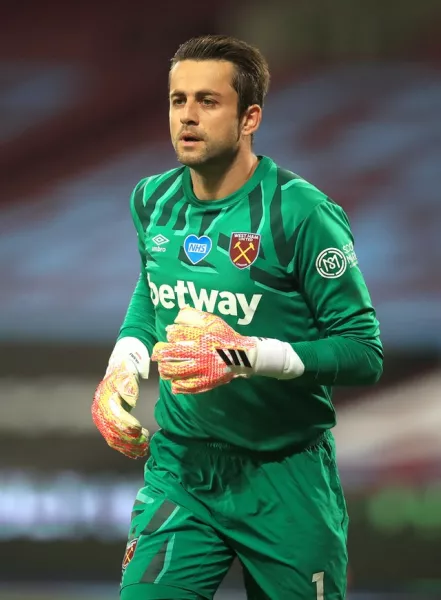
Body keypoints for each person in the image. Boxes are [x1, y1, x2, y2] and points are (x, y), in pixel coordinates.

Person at [92, 34, 383, 600]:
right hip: (183, 467)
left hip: (285, 478)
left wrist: (245, 356)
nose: (187, 117)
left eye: (208, 101)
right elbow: (154, 292)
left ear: (250, 117)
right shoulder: (152, 199)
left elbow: (363, 352)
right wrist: (123, 364)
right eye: (178, 101)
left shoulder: (302, 214)